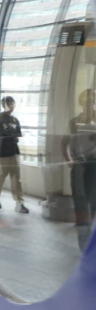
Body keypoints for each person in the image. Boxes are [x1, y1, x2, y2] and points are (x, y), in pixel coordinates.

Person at [63, 88, 96, 250]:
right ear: (81, 102)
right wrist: (69, 160)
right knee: (81, 207)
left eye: (93, 99)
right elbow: (64, 142)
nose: (90, 102)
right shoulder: (74, 121)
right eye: (87, 99)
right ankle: (83, 247)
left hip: (94, 167)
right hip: (79, 168)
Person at [0, 95, 28, 213]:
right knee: (1, 176)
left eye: (13, 104)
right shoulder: (0, 118)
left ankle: (19, 203)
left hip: (14, 151)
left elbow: (18, 135)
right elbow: (1, 135)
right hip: (3, 152)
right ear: (4, 105)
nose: (11, 106)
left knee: (17, 178)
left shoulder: (15, 120)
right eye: (9, 104)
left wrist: (14, 137)